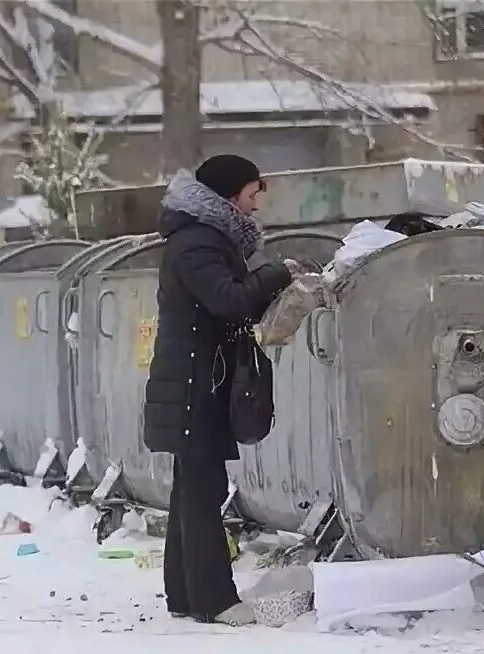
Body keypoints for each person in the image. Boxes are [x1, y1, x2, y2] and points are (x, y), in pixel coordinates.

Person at [143, 155, 298, 625]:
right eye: (252, 195)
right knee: (203, 489)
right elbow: (229, 300)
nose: (255, 206)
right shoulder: (196, 242)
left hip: (199, 374)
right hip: (194, 381)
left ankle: (185, 595)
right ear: (230, 196)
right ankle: (215, 600)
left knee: (192, 490)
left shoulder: (203, 237)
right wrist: (278, 272)